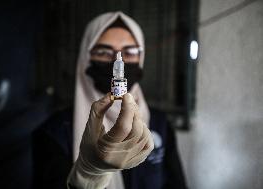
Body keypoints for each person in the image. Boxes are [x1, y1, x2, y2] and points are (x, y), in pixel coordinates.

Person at [33, 12, 187, 189]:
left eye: (130, 51)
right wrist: (88, 175)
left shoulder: (159, 123)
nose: (116, 59)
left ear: (141, 58)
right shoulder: (54, 132)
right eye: (103, 52)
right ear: (86, 58)